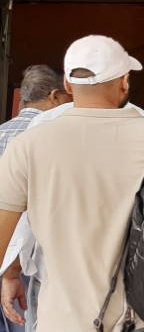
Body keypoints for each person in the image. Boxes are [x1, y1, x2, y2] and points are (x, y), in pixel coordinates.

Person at [0, 35, 144, 332]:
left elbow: (7, 230)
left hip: (62, 318)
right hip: (143, 313)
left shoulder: (29, 142)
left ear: (67, 85)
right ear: (125, 82)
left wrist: (11, 272)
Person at [0, 66, 71, 332]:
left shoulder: (1, 131)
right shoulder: (49, 137)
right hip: (24, 259)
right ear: (55, 96)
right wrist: (12, 268)